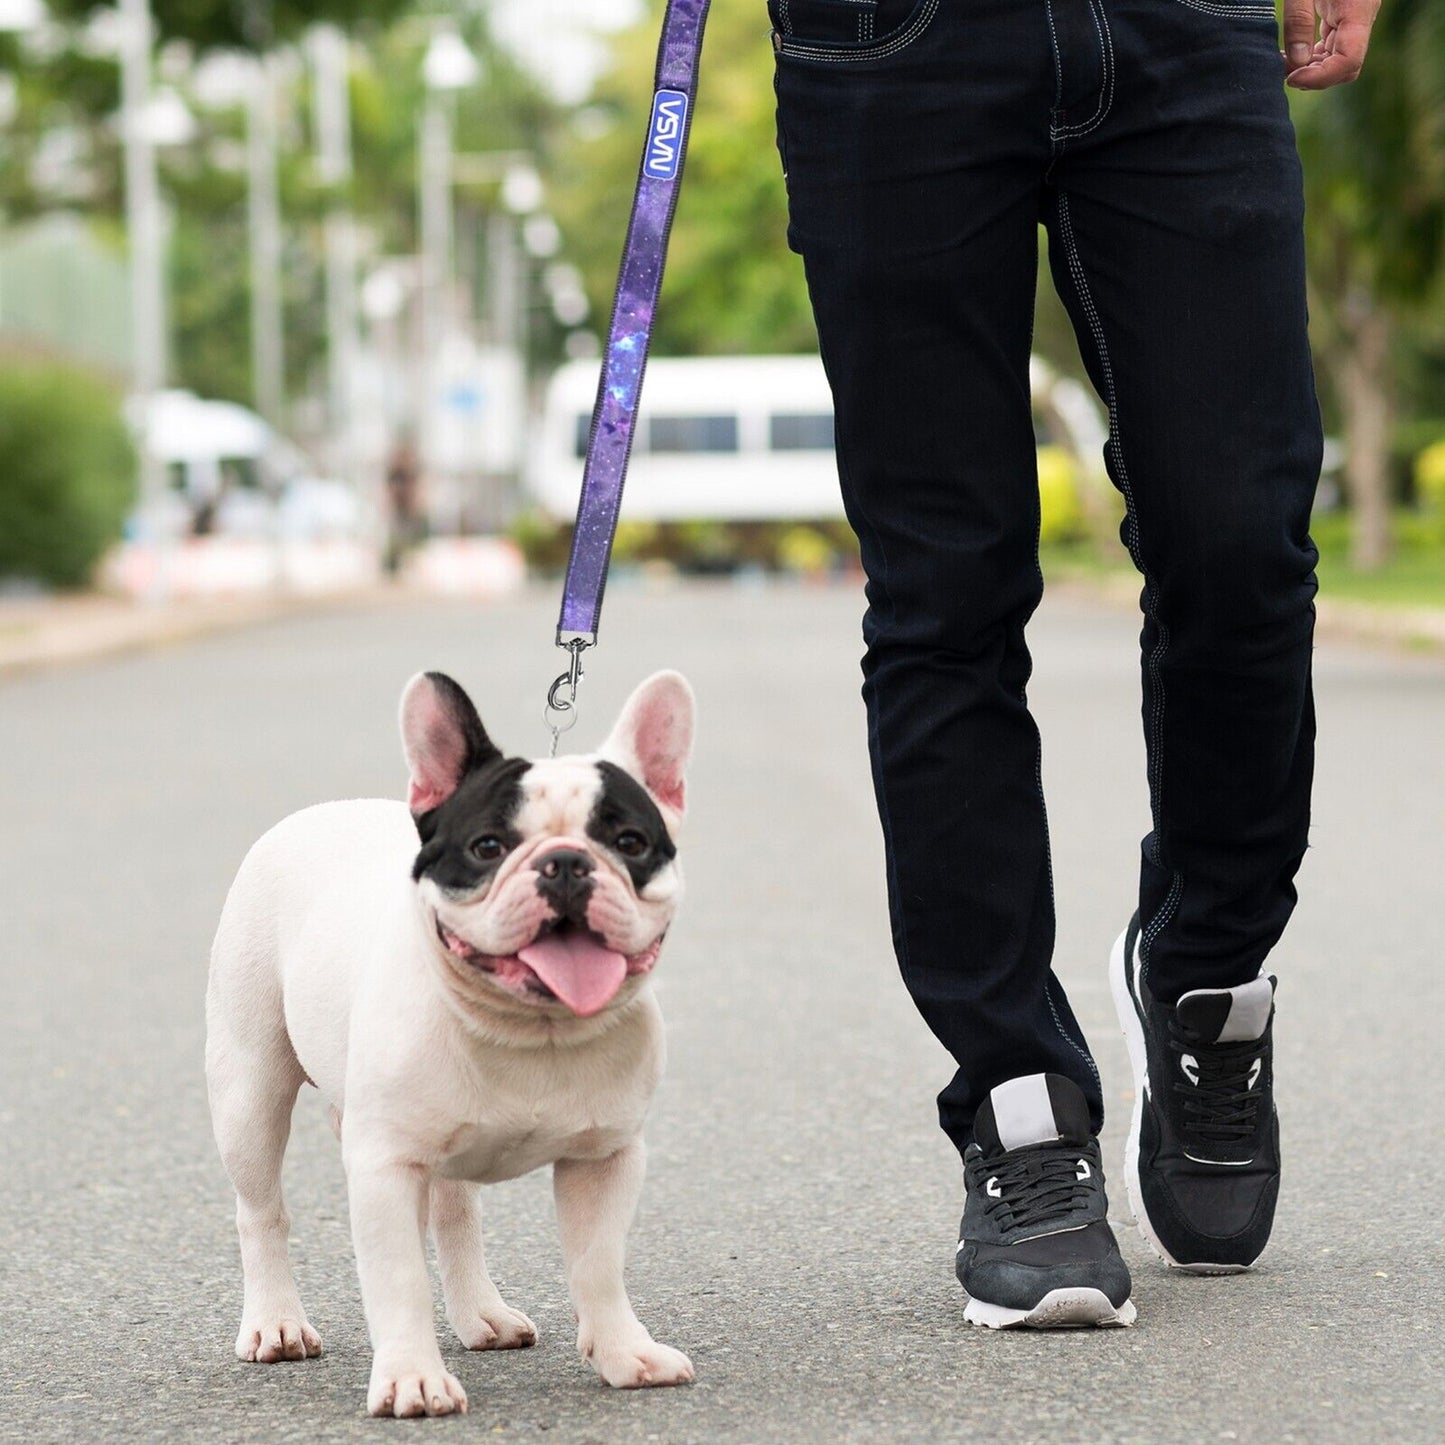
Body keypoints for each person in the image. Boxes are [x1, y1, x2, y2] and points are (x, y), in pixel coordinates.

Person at [770, 0, 1380, 1326]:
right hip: (888, 43)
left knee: (1242, 547)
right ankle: (1019, 1107)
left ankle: (1206, 975)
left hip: (1183, 27)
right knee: (945, 590)